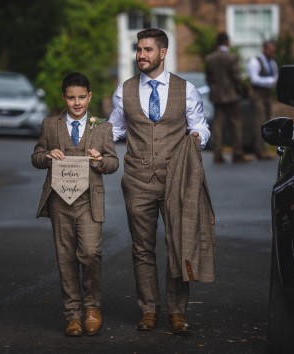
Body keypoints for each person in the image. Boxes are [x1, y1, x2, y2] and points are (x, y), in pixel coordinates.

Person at [107, 28, 215, 336]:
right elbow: (115, 130)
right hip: (137, 179)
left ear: (163, 53)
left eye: (147, 50)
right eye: (139, 49)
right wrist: (91, 140)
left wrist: (197, 137)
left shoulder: (187, 90)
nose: (141, 55)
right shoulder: (123, 91)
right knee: (142, 248)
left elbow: (201, 127)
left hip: (176, 179)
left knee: (177, 245)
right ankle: (149, 310)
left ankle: (177, 312)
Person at [31, 72, 119, 337]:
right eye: (71, 98)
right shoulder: (50, 125)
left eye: (82, 97)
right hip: (59, 200)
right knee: (66, 257)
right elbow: (35, 157)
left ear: (89, 97)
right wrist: (47, 156)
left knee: (91, 253)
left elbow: (114, 163)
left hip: (89, 201)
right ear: (63, 98)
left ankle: (92, 307)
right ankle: (72, 314)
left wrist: (99, 160)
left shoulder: (102, 127)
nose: (77, 103)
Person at [204, 32, 252, 164]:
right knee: (235, 124)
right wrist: (241, 91)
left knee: (218, 125)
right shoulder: (231, 57)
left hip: (217, 96)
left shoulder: (210, 58)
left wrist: (214, 88)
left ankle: (217, 154)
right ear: (226, 42)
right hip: (231, 95)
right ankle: (237, 153)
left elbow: (208, 78)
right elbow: (236, 77)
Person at [246, 40, 278, 160]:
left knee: (267, 121)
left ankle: (264, 149)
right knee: (259, 121)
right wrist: (271, 81)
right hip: (257, 94)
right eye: (271, 50)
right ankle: (260, 151)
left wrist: (274, 81)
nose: (273, 52)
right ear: (264, 49)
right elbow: (254, 79)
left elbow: (276, 76)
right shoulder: (255, 61)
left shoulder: (272, 62)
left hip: (267, 94)